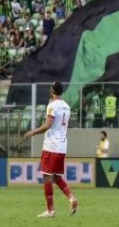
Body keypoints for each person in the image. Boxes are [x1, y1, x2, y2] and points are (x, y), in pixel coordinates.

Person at [24, 81, 78, 218]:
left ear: (51, 90)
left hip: (51, 145)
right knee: (57, 176)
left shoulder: (52, 106)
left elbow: (48, 125)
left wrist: (33, 132)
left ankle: (50, 210)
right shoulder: (66, 106)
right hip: (62, 145)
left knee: (47, 177)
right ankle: (71, 198)